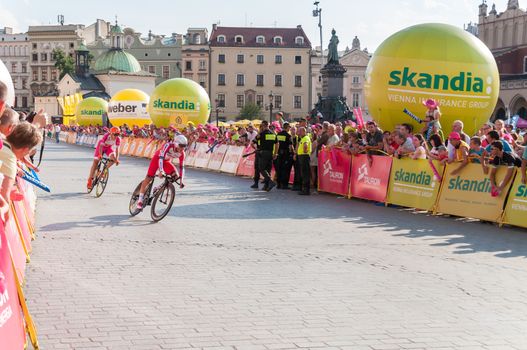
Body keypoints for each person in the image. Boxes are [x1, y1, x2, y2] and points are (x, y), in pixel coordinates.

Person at [136, 134, 187, 210]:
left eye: (184, 146)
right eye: (181, 145)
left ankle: (158, 188)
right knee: (149, 178)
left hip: (166, 162)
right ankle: (140, 200)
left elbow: (182, 167)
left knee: (175, 177)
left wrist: (181, 180)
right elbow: (161, 157)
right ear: (176, 143)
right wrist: (161, 170)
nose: (182, 148)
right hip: (157, 159)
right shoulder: (168, 145)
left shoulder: (182, 153)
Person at [255, 120, 277, 191]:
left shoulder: (262, 134)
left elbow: (256, 139)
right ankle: (267, 186)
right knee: (268, 170)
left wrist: (259, 132)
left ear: (264, 125)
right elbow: (277, 144)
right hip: (270, 153)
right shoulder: (273, 134)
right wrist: (275, 153)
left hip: (263, 153)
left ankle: (270, 182)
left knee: (261, 168)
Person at [274, 122, 293, 189]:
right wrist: (292, 153)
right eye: (289, 127)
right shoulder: (288, 136)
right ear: (287, 127)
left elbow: (276, 144)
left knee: (279, 169)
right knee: (285, 169)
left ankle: (278, 184)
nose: (289, 129)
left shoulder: (278, 134)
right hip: (286, 154)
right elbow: (290, 147)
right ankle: (284, 185)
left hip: (279, 154)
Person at [296, 126, 312, 195]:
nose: (299, 133)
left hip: (304, 156)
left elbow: (305, 145)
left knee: (305, 173)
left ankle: (306, 190)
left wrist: (305, 151)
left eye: (300, 131)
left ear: (303, 131)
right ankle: (304, 189)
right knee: (304, 173)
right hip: (302, 156)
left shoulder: (306, 138)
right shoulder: (303, 138)